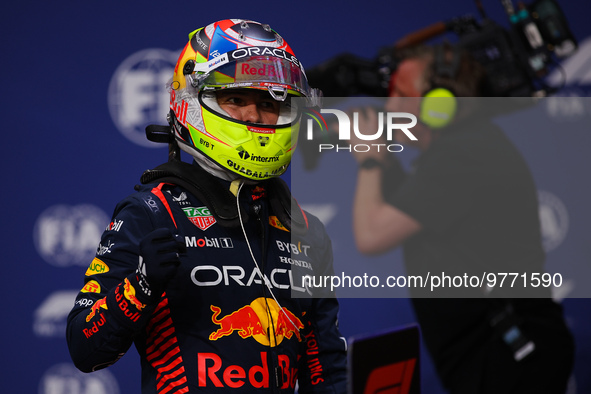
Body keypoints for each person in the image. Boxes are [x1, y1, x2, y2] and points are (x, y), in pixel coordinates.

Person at [66, 19, 347, 394]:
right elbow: (85, 349)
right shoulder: (150, 213)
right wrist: (141, 284)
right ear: (192, 104)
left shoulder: (305, 230)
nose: (254, 115)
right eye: (235, 99)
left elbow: (325, 365)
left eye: (269, 103)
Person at [348, 44, 574, 393]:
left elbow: (372, 234)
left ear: (440, 106)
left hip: (509, 357)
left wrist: (370, 161)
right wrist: (387, 164)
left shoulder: (463, 155)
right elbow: (419, 213)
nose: (389, 107)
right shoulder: (467, 147)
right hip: (503, 353)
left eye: (401, 95)